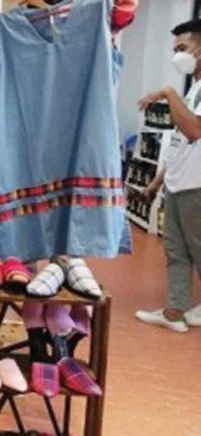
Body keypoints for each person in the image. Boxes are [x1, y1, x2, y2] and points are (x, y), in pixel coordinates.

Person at [135, 19, 201, 332]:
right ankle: (175, 311)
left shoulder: (185, 92)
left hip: (198, 187)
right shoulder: (194, 90)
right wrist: (157, 182)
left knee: (197, 250)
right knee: (176, 251)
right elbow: (178, 145)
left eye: (182, 49)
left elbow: (194, 130)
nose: (177, 56)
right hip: (180, 183)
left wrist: (167, 92)